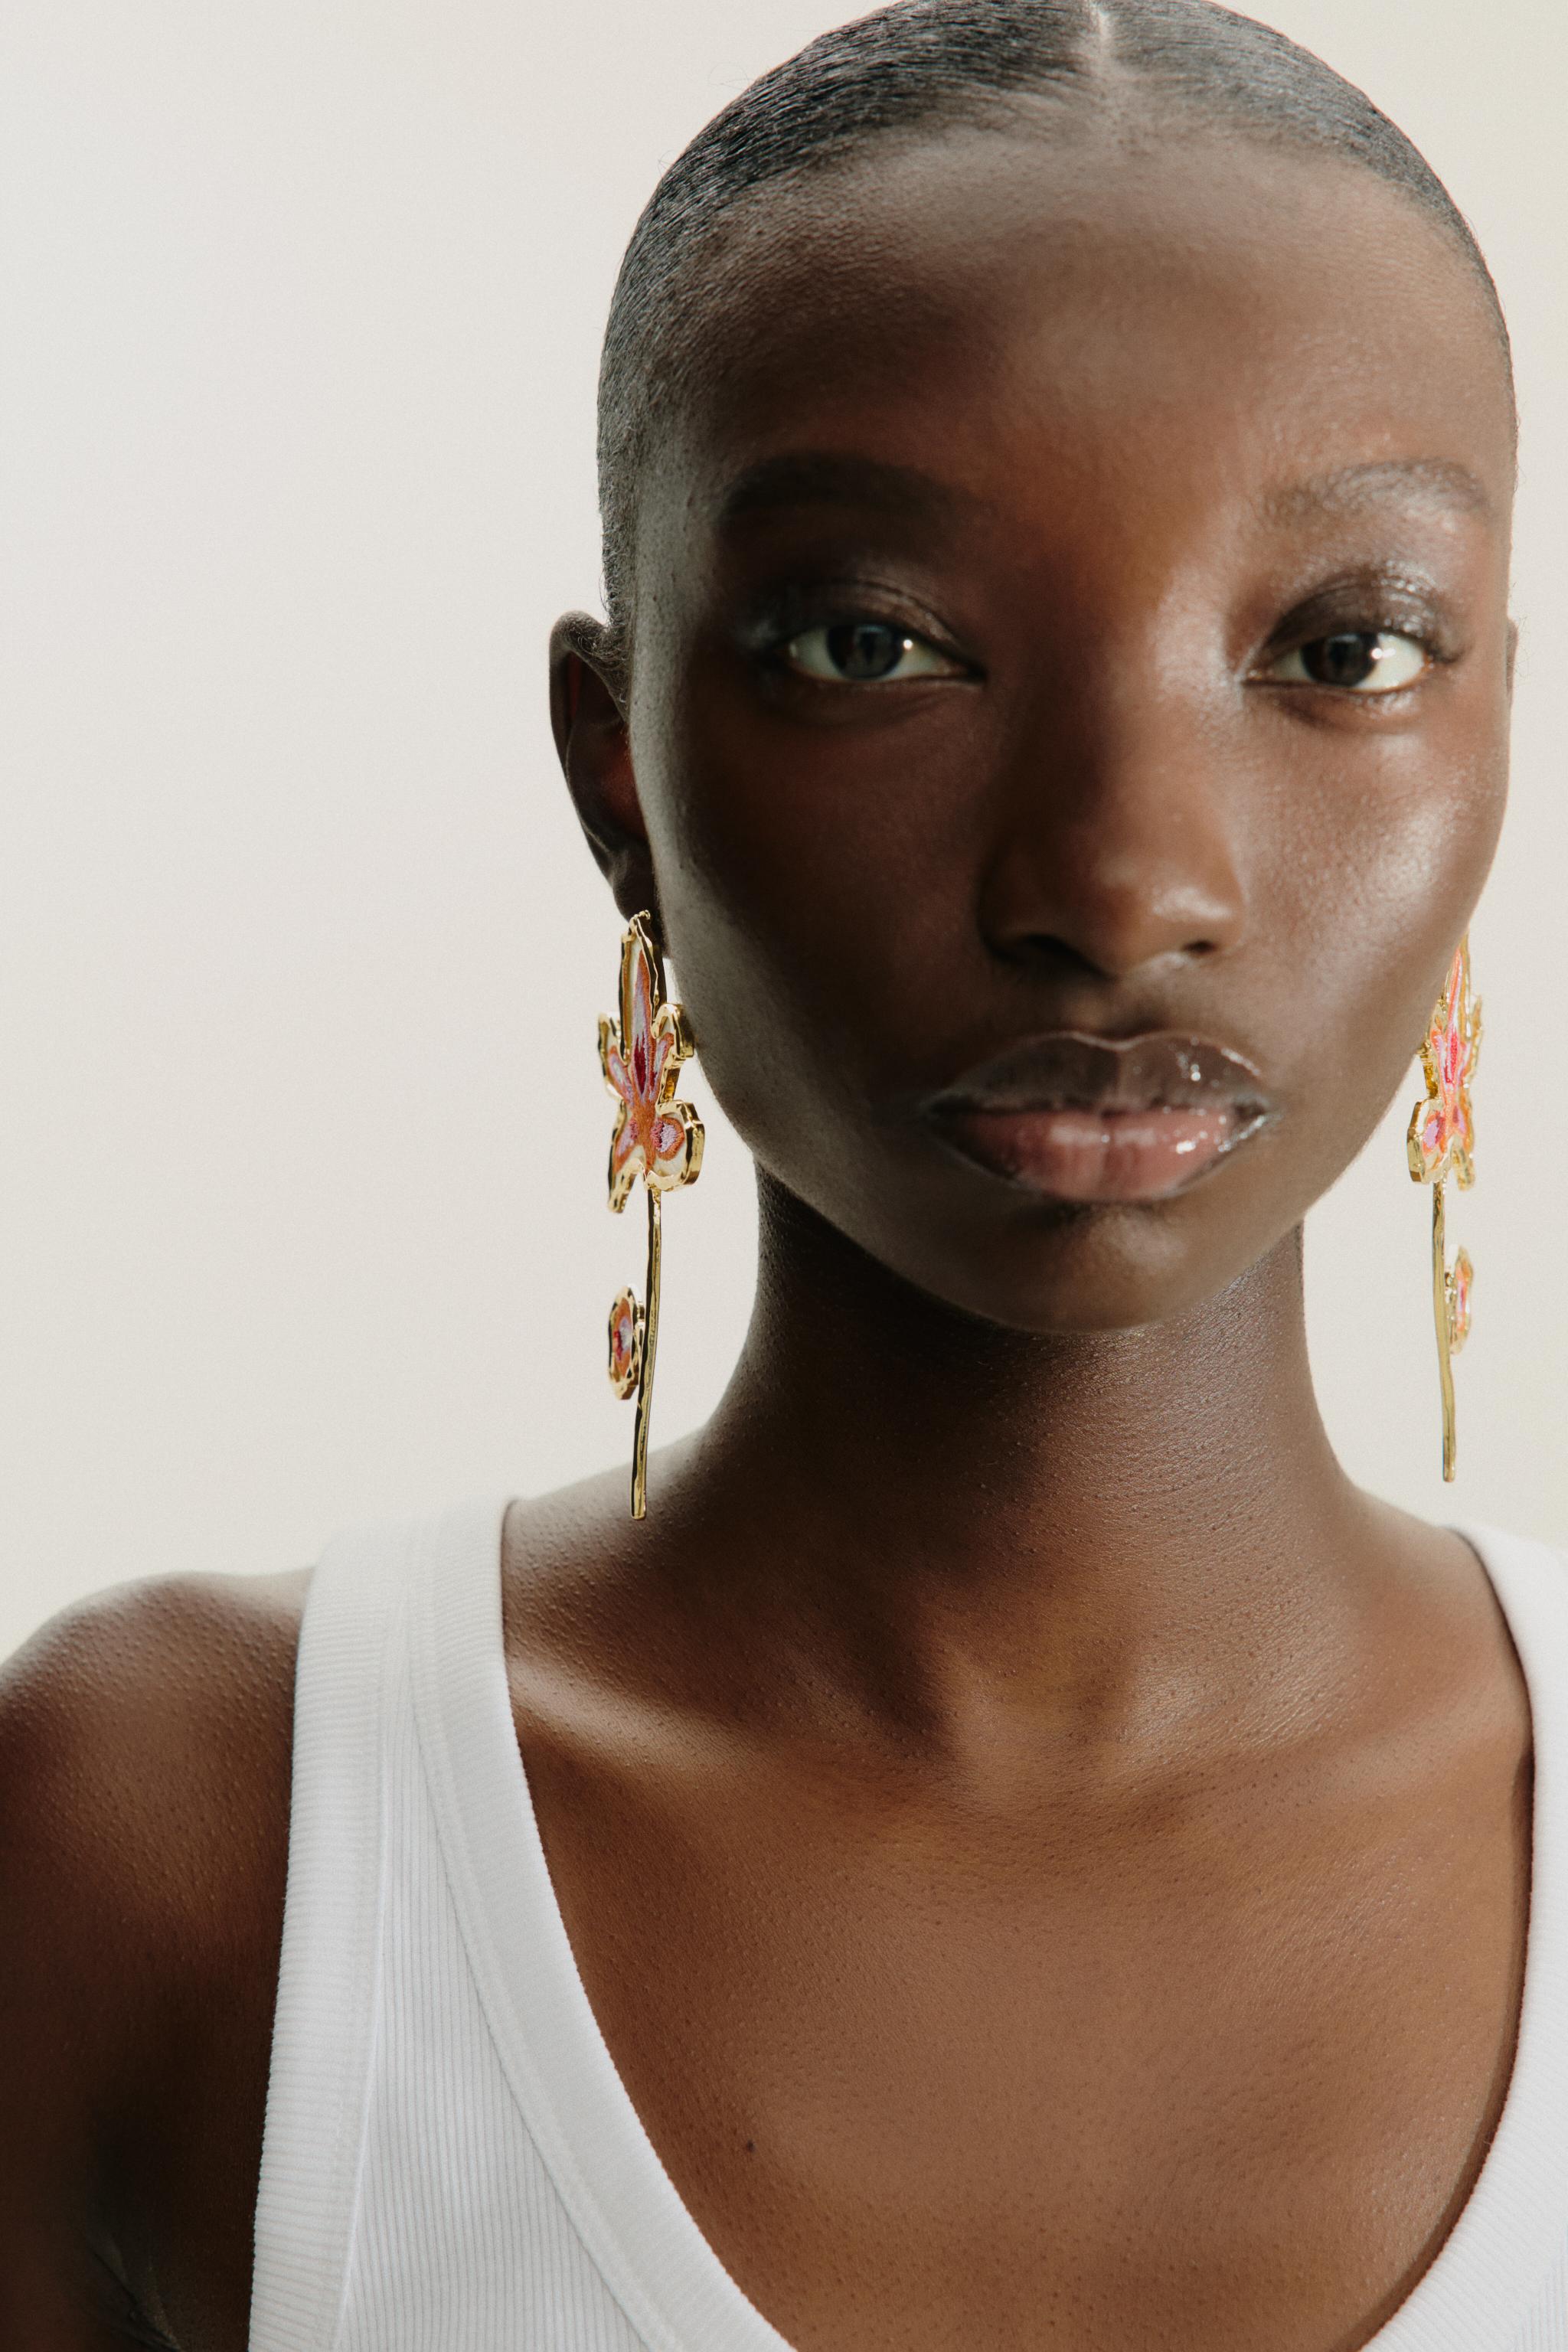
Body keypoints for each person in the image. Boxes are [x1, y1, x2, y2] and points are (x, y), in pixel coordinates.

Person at [2, 2, 1558, 2345]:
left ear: (1498, 739)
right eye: (877, 643)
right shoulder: (183, 1839)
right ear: (614, 769)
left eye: (1339, 649)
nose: (1126, 882)